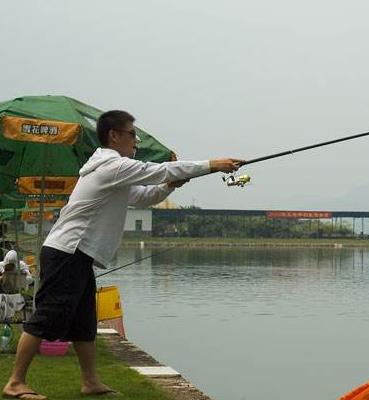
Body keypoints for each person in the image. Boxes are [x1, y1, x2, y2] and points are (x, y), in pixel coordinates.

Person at [2, 110, 243, 400]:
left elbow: (143, 196)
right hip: (68, 251)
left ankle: (90, 382)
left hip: (78, 254)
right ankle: (15, 382)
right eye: (132, 134)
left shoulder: (112, 171)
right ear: (114, 136)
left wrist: (168, 186)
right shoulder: (111, 166)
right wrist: (212, 165)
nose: (136, 141)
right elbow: (159, 170)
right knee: (46, 316)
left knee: (84, 321)